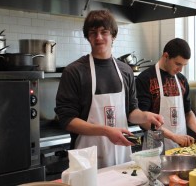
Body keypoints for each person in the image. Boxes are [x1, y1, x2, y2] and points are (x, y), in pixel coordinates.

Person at [54, 10, 163, 169]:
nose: (98, 37)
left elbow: (131, 112)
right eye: (93, 32)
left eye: (104, 32)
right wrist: (106, 131)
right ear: (88, 37)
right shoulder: (74, 71)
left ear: (113, 36)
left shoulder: (125, 71)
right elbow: (67, 120)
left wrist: (145, 116)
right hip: (87, 160)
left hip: (121, 156)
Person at [135, 38, 196, 150]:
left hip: (181, 148)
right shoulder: (145, 79)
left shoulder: (182, 80)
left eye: (184, 65)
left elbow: (188, 112)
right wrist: (173, 136)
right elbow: (143, 120)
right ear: (166, 56)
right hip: (154, 150)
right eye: (178, 64)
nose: (180, 69)